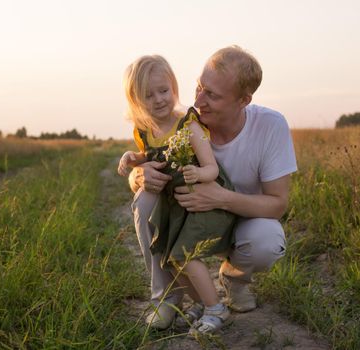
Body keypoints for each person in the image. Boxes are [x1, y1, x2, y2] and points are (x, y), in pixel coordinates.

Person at [128, 45, 297, 330]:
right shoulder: (182, 123)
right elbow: (150, 160)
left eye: (212, 95)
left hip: (241, 222)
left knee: (266, 240)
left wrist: (219, 198)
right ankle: (168, 297)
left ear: (243, 100)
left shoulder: (270, 125)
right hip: (190, 218)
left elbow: (278, 204)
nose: (199, 100)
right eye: (198, 87)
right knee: (145, 202)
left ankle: (234, 279)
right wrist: (137, 174)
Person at [118, 55, 236, 335]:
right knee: (169, 255)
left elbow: (211, 167)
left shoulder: (187, 124)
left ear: (174, 87)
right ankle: (199, 303)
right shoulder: (145, 129)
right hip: (174, 203)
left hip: (202, 199)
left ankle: (216, 308)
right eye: (148, 95)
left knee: (184, 253)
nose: (158, 99)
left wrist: (198, 175)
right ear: (135, 100)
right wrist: (131, 158)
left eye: (164, 90)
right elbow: (150, 157)